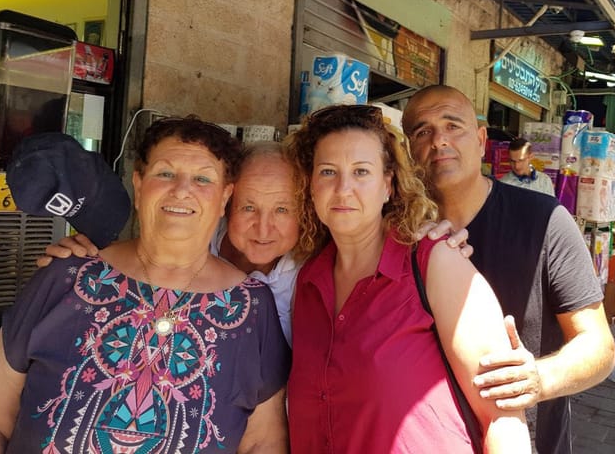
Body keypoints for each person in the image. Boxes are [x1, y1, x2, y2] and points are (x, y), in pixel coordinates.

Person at [0, 117, 291, 452]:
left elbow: (263, 441)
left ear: (224, 198)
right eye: (165, 173)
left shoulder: (252, 309)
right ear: (139, 185)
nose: (181, 190)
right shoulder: (67, 278)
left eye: (202, 178)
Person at [44, 140, 472, 346]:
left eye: (282, 210)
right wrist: (75, 259)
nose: (264, 228)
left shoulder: (324, 267)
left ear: (304, 210)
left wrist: (432, 240)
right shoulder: (184, 243)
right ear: (227, 201)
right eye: (249, 207)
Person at [285, 104, 530, 452]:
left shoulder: (436, 261)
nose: (343, 188)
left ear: (388, 184)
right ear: (310, 185)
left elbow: (502, 414)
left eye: (361, 171)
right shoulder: (308, 282)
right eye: (328, 171)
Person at [402, 85, 615, 454]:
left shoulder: (545, 220)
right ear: (409, 151)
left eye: (453, 126)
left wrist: (538, 378)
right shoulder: (400, 235)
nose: (439, 141)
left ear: (481, 140)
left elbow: (600, 347)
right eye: (423, 131)